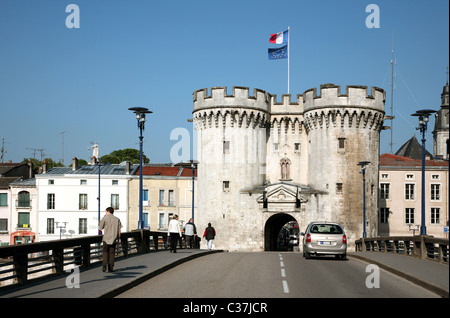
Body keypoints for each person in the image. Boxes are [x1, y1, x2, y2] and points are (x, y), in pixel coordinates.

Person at [99, 207, 122, 273]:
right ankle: (110, 267)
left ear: (108, 211)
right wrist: (118, 238)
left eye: (106, 212)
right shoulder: (117, 219)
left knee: (105, 252)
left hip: (106, 238)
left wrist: (103, 218)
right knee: (112, 253)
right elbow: (119, 230)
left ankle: (104, 265)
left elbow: (101, 227)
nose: (105, 213)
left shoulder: (105, 218)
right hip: (114, 238)